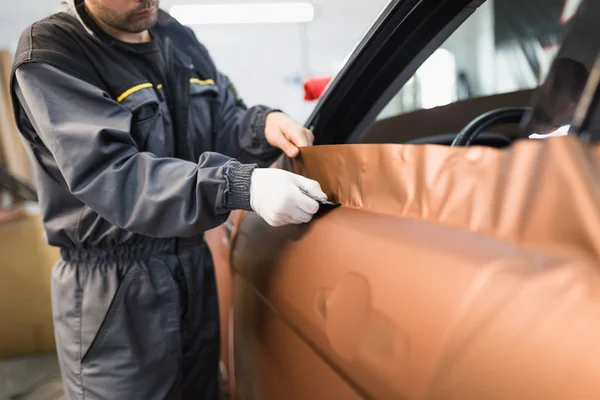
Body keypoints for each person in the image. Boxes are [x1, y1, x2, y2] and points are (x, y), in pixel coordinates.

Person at [9, 0, 329, 399]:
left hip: (193, 271)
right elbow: (113, 175)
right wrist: (238, 185)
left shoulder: (175, 35)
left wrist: (261, 125)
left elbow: (222, 121)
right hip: (115, 295)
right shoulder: (53, 52)